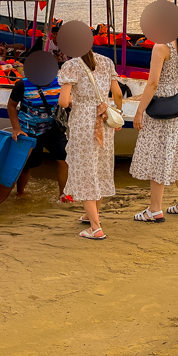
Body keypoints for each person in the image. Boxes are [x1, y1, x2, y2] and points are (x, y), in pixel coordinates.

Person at [130, 29, 178, 223]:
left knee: (159, 154)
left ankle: (154, 209)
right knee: (176, 152)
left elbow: (153, 83)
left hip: (164, 104)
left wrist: (140, 111)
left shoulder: (161, 47)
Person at [58, 49, 123, 240]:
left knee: (85, 169)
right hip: (104, 118)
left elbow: (63, 101)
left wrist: (73, 102)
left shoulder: (71, 65)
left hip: (83, 122)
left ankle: (95, 228)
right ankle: (91, 214)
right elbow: (117, 93)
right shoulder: (106, 61)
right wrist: (117, 111)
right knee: (100, 166)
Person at [8, 75, 69, 200]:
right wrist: (16, 128)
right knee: (27, 166)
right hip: (28, 130)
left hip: (52, 128)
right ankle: (20, 194)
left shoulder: (61, 82)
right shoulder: (22, 85)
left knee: (65, 159)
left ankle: (64, 195)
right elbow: (11, 106)